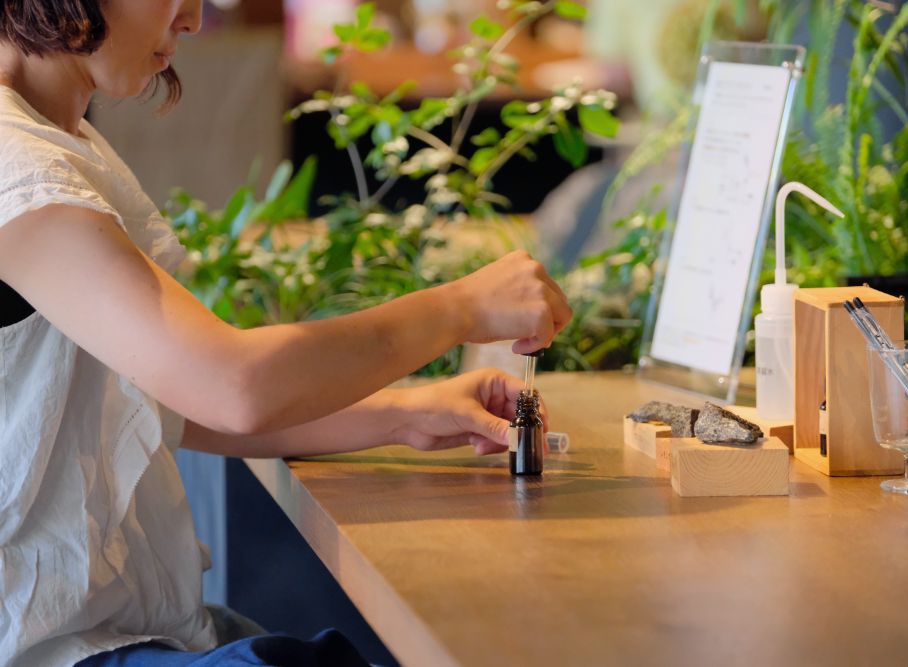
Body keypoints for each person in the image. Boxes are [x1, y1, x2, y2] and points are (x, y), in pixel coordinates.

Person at [0, 1, 572, 665]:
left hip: (111, 624)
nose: (192, 19)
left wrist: (405, 411)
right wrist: (459, 306)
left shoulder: (58, 143)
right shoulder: (21, 174)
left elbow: (167, 393)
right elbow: (231, 383)